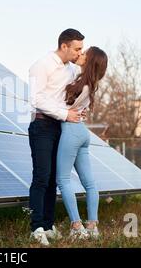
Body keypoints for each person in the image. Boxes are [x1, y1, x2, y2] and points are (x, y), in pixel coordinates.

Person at [28, 28, 85, 246]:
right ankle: (36, 228)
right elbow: (36, 99)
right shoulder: (41, 65)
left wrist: (78, 110)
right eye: (77, 48)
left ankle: (49, 225)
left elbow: (70, 97)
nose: (80, 53)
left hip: (62, 126)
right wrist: (65, 114)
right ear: (64, 46)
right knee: (41, 176)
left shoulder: (71, 69)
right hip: (42, 125)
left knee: (54, 177)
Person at [56, 46, 108, 240]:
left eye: (85, 53)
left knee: (63, 179)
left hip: (71, 132)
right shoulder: (90, 85)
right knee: (90, 183)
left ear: (90, 61)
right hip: (82, 133)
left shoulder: (80, 85)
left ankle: (77, 227)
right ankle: (92, 226)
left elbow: (60, 106)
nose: (81, 54)